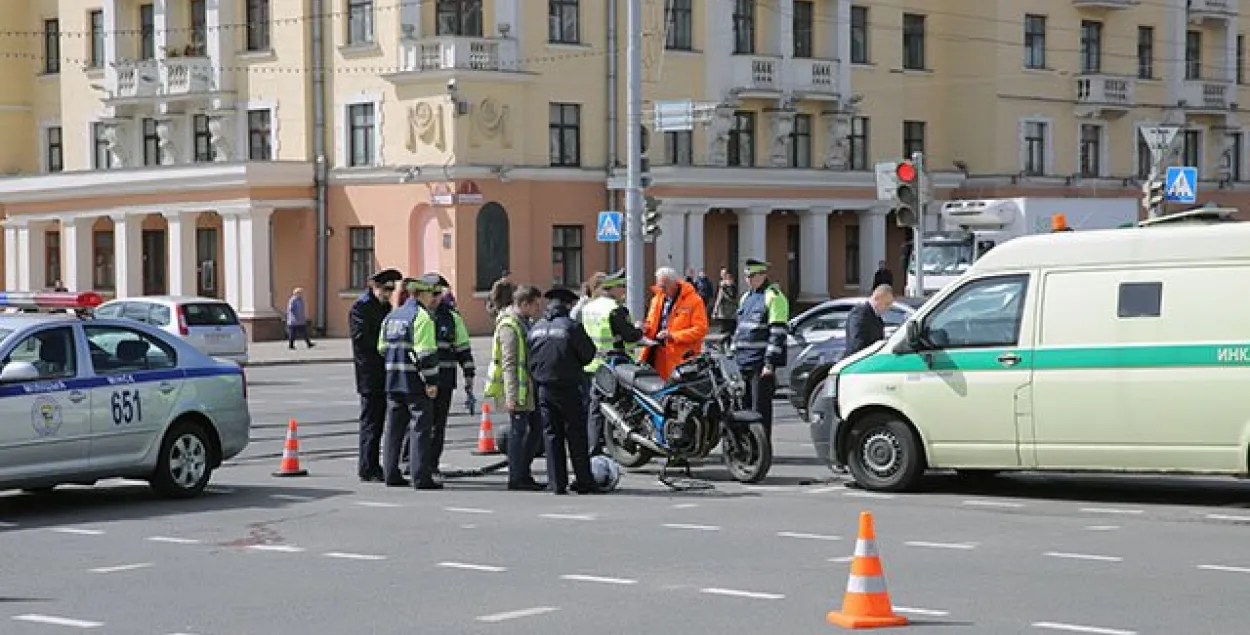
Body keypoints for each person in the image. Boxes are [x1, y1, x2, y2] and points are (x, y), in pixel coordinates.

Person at [528, 287, 600, 495]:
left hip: (544, 388)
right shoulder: (571, 327)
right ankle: (584, 481)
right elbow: (588, 354)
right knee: (576, 434)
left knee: (551, 435)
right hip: (569, 386)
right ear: (568, 305)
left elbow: (530, 357)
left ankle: (556, 482)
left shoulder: (536, 328)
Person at [377, 274, 443, 489]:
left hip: (393, 379)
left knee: (394, 428)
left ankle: (390, 473)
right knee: (420, 428)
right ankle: (420, 476)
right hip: (414, 382)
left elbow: (382, 348)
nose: (433, 297)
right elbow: (426, 354)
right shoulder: (421, 318)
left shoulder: (392, 317)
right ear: (421, 294)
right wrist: (431, 382)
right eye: (431, 293)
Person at [482, 284, 547, 491]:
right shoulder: (510, 326)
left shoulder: (523, 322)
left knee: (535, 430)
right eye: (536, 305)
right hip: (518, 391)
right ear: (524, 304)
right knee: (519, 434)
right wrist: (511, 396)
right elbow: (509, 363)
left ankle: (523, 472)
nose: (539, 309)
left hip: (528, 388)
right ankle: (517, 477)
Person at [580, 269, 644, 456]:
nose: (623, 291)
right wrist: (639, 330)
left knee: (595, 407)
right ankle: (623, 443)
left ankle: (594, 446)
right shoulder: (614, 309)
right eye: (620, 287)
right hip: (614, 363)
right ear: (611, 289)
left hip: (593, 362)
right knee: (620, 405)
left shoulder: (588, 308)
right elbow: (630, 337)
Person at [350, 267, 401, 483]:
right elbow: (362, 340)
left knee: (380, 421)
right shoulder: (360, 308)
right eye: (385, 289)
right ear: (375, 287)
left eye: (392, 290)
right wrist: (386, 345)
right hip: (369, 373)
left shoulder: (386, 307)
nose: (389, 294)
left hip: (384, 372)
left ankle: (374, 464)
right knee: (371, 421)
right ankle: (367, 466)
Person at [731, 258, 789, 441]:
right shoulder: (746, 298)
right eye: (747, 276)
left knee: (760, 410)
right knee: (743, 408)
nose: (748, 279)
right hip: (744, 362)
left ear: (763, 275)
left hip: (760, 364)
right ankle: (748, 448)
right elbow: (740, 329)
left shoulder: (774, 296)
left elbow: (777, 333)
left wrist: (769, 363)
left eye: (753, 276)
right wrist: (733, 350)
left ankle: (762, 448)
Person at [429, 274, 475, 479]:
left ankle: (431, 464)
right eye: (432, 293)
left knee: (438, 426)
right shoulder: (415, 315)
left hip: (444, 379)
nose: (435, 298)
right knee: (418, 424)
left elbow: (463, 348)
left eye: (438, 294)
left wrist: (469, 376)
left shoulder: (452, 317)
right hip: (421, 380)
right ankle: (410, 461)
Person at [642, 266, 709, 380]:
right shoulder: (656, 299)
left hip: (682, 359)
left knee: (679, 394)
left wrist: (673, 336)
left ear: (674, 284)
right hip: (658, 356)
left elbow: (700, 329)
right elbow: (651, 323)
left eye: (664, 287)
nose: (661, 290)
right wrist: (644, 327)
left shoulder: (694, 301)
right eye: (659, 286)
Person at [846, 284, 894, 358]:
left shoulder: (877, 318)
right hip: (858, 363)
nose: (888, 308)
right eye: (887, 304)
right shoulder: (860, 313)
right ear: (877, 298)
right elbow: (857, 345)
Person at [711, 267, 738, 334]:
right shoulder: (726, 285)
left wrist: (715, 310)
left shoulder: (724, 286)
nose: (722, 275)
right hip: (727, 313)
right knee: (728, 331)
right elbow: (718, 298)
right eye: (721, 273)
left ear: (728, 275)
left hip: (727, 313)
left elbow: (719, 298)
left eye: (724, 274)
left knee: (726, 331)